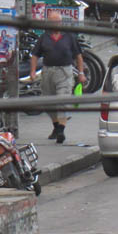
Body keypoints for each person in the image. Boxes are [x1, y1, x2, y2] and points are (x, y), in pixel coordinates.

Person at [29, 10, 85, 145]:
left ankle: (61, 131)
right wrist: (32, 71)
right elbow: (35, 55)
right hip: (48, 71)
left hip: (64, 72)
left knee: (62, 101)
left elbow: (78, 56)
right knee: (48, 102)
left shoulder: (69, 37)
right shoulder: (44, 37)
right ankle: (56, 127)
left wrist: (81, 73)